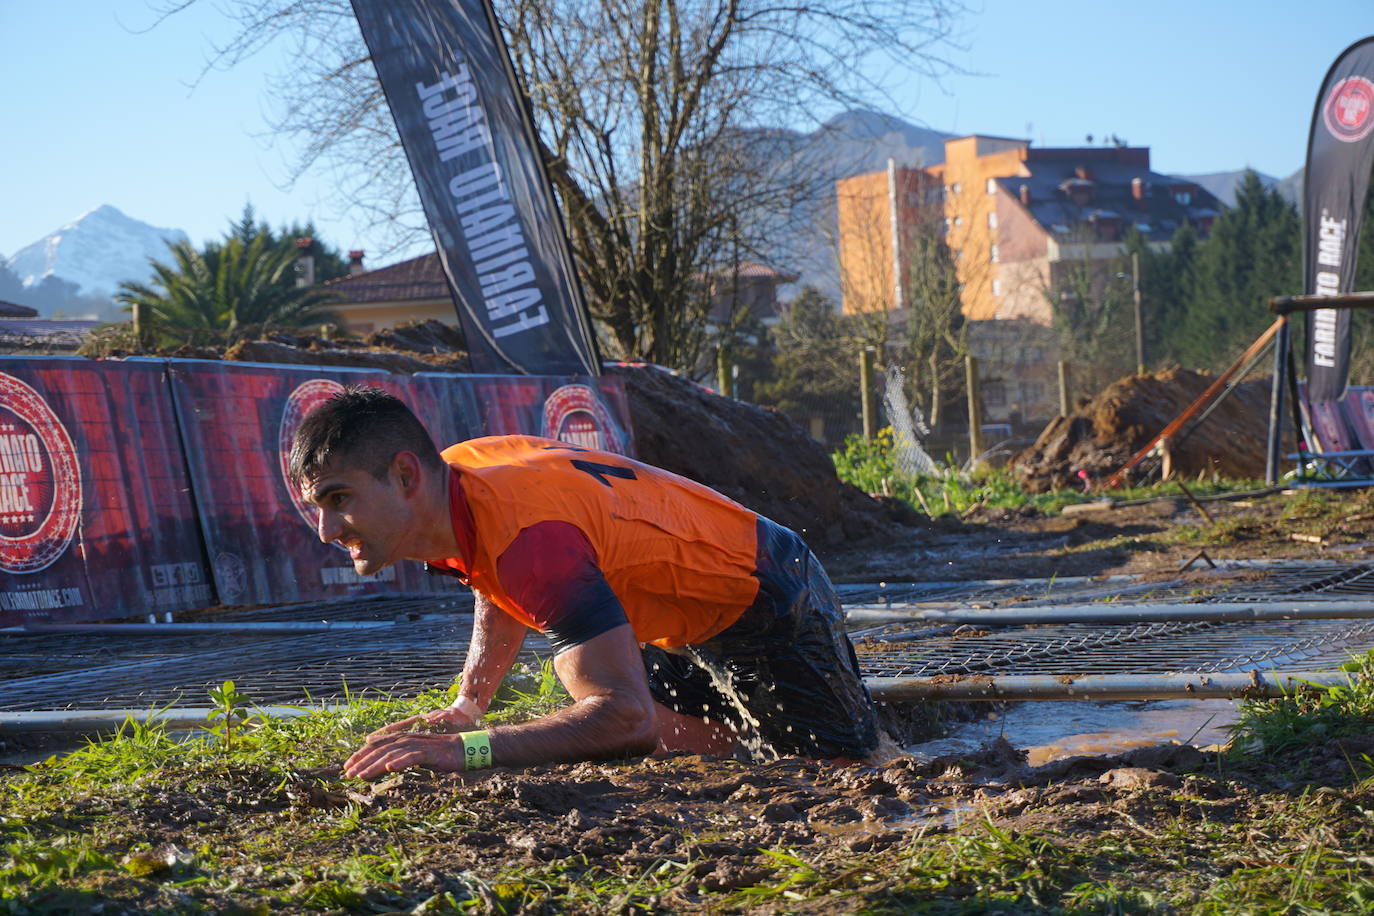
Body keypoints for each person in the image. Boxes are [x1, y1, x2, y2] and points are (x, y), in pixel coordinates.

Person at [286, 386, 882, 779]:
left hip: (766, 591)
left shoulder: (531, 540)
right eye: (318, 506)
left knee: (847, 767)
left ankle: (842, 729)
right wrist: (470, 704)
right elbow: (496, 582)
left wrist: (461, 750)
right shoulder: (458, 477)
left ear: (405, 475)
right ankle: (749, 736)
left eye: (339, 500)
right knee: (616, 704)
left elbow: (623, 717)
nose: (326, 530)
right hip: (681, 612)